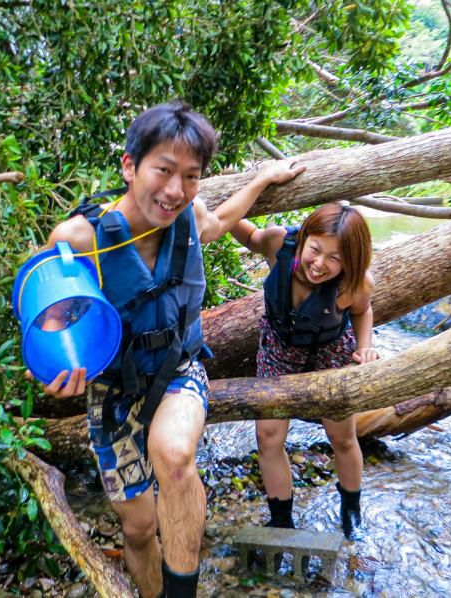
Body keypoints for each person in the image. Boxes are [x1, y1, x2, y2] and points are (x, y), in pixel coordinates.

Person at [39, 102, 305, 597]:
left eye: (191, 176)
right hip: (113, 390)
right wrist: (54, 374)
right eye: (163, 170)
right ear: (129, 165)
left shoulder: (190, 216)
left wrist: (264, 178)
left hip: (180, 369)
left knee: (175, 454)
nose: (176, 191)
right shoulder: (80, 239)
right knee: (139, 531)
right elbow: (50, 323)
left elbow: (222, 220)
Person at [231, 203, 380, 539]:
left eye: (335, 258)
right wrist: (222, 212)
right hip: (278, 351)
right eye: (315, 249)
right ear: (303, 238)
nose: (319, 264)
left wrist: (364, 345)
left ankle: (351, 512)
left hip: (330, 355)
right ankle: (282, 520)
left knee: (342, 437)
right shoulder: (278, 243)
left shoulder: (355, 283)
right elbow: (250, 235)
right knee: (268, 438)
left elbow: (363, 311)